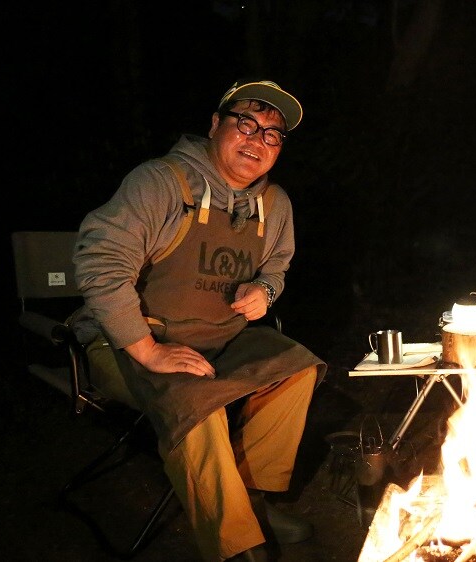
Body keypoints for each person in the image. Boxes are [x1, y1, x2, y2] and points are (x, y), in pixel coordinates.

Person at [72, 79, 327, 561]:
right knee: (197, 399)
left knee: (297, 368)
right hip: (129, 342)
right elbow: (99, 263)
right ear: (215, 125)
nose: (258, 139)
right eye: (245, 123)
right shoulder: (161, 182)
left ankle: (251, 499)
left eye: (273, 134)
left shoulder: (275, 206)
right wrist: (147, 349)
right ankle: (235, 546)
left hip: (222, 338)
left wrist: (266, 290)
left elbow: (277, 266)